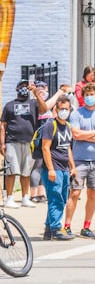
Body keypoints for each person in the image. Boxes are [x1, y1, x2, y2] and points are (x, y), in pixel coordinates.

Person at [66, 82, 95, 239]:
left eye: (92, 95)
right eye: (87, 95)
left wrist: (87, 135)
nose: (90, 98)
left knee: (92, 194)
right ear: (82, 97)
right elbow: (76, 135)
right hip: (79, 160)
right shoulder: (76, 114)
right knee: (75, 193)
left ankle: (86, 226)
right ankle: (67, 226)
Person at [40, 95, 76, 240]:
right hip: (53, 168)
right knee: (56, 199)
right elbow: (45, 148)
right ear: (56, 109)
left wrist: (72, 166)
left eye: (66, 109)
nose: (64, 111)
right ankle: (56, 228)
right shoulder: (50, 125)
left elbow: (67, 148)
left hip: (64, 168)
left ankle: (48, 229)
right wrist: (51, 169)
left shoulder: (67, 126)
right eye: (61, 109)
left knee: (60, 198)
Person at [1, 79, 40, 208]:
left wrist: (36, 93)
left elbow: (45, 109)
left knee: (26, 172)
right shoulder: (9, 105)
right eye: (21, 86)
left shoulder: (34, 104)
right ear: (17, 89)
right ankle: (10, 198)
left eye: (26, 86)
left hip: (29, 142)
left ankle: (25, 197)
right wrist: (2, 143)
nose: (24, 88)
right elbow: (3, 125)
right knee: (11, 171)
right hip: (12, 142)